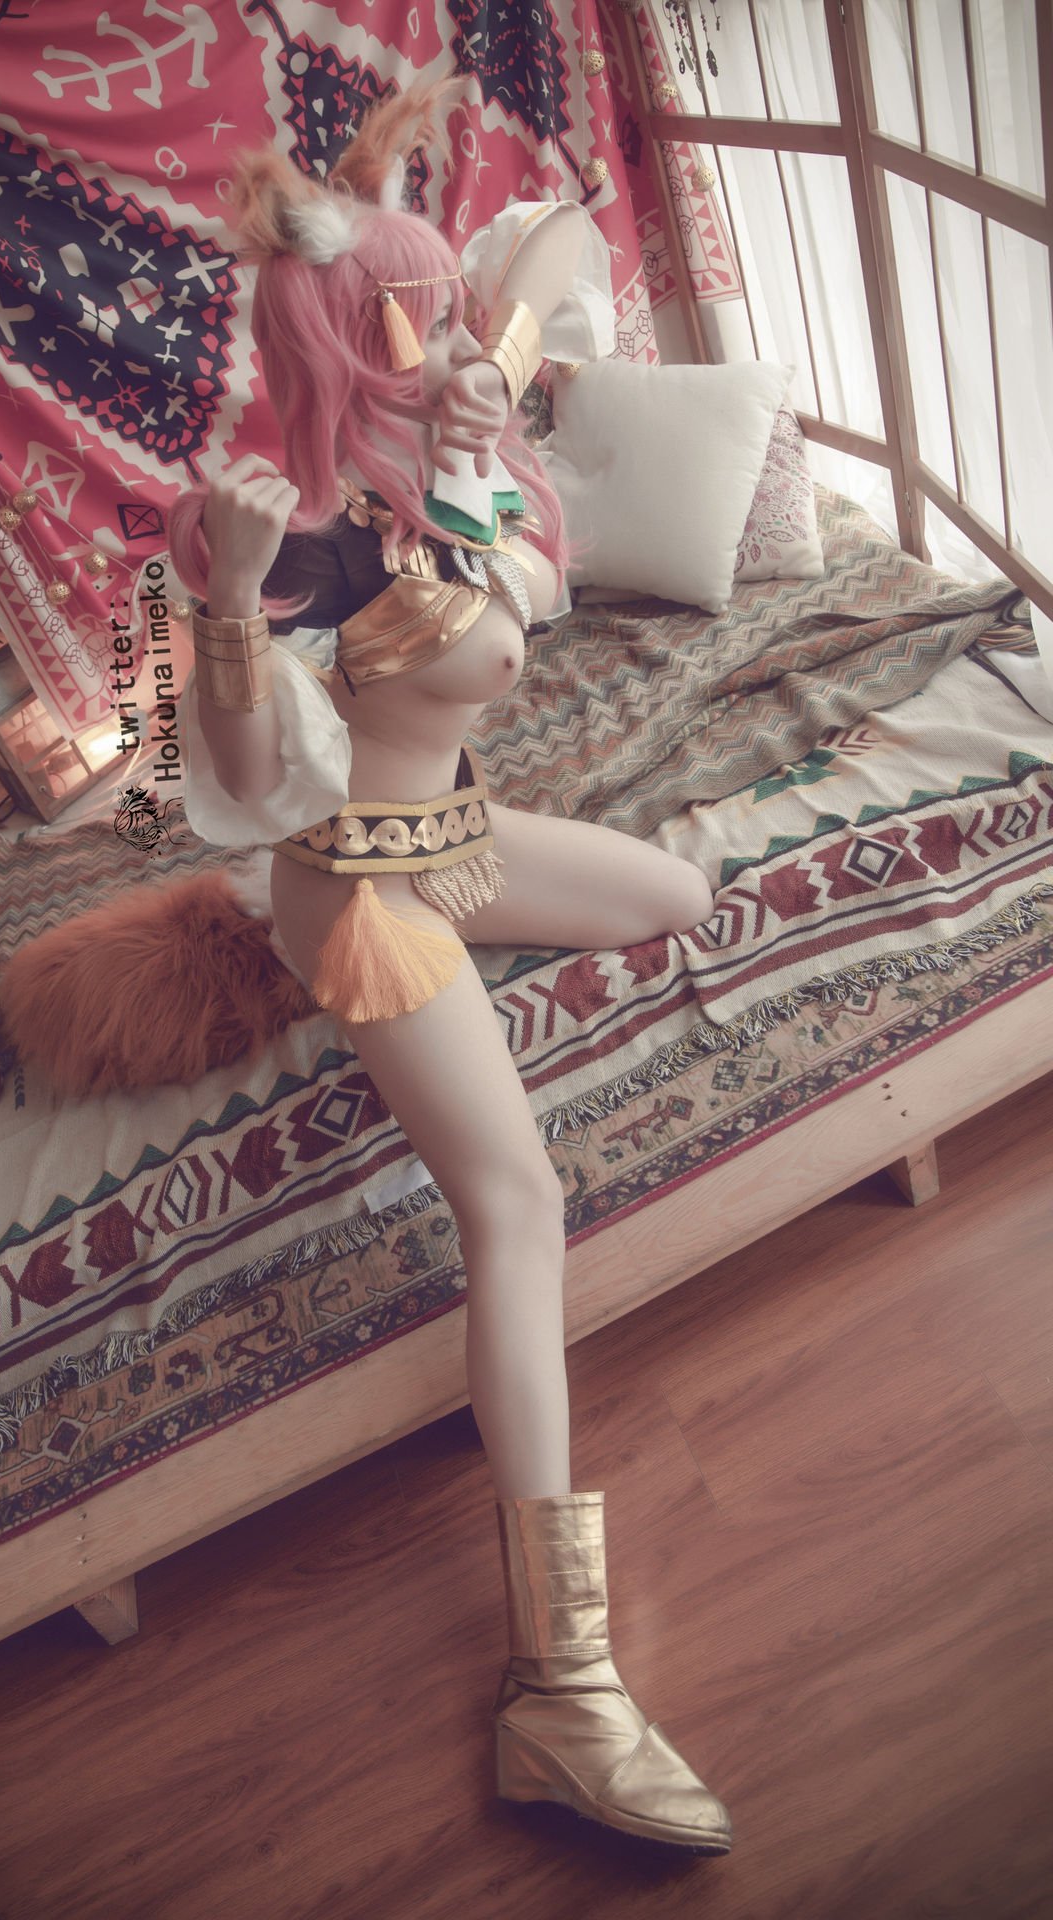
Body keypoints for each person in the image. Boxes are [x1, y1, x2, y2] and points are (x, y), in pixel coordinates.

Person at [169, 72, 732, 1857]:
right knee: (518, 1204)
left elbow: (539, 290)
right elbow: (240, 790)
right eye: (425, 320)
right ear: (363, 347)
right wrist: (221, 609)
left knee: (677, 894)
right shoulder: (291, 546)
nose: (464, 344)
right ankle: (561, 1691)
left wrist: (499, 381)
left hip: (455, 837)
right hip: (362, 902)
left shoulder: (438, 478)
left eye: (453, 314)